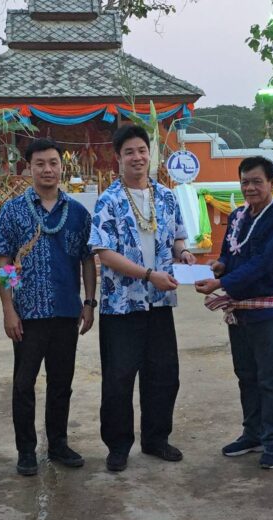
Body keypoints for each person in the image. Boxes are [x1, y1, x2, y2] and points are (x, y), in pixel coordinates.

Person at [89, 124, 196, 472]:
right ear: (118, 158)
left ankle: (156, 439)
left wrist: (183, 253)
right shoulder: (109, 200)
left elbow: (177, 238)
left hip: (159, 303)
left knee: (164, 374)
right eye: (129, 152)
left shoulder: (165, 196)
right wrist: (149, 275)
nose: (137, 157)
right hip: (122, 304)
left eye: (142, 150)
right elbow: (104, 253)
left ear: (151, 154)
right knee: (119, 378)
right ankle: (118, 446)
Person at [0, 139, 96, 476]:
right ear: (29, 168)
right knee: (24, 384)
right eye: (40, 163)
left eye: (53, 163)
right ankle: (26, 450)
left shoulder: (77, 213)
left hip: (66, 311)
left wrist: (89, 302)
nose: (48, 169)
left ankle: (58, 444)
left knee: (61, 383)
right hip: (28, 314)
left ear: (62, 167)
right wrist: (8, 309)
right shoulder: (13, 210)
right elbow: (4, 263)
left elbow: (87, 260)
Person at [194, 156, 273, 469]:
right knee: (245, 375)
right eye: (245, 182)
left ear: (272, 183)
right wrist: (220, 265)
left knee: (268, 377)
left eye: (257, 182)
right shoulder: (238, 214)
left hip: (265, 310)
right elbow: (230, 252)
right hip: (238, 309)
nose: (250, 188)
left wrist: (221, 282)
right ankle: (252, 434)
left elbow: (263, 263)